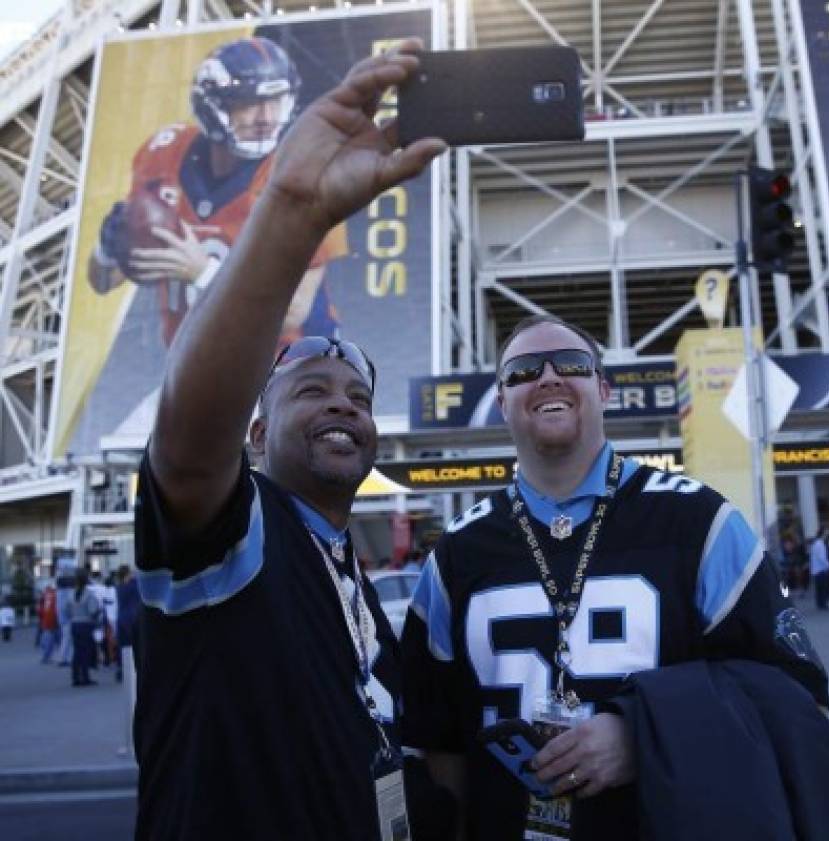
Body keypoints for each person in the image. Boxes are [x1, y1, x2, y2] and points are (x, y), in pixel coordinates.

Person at [130, 43, 448, 840]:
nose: (343, 405)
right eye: (311, 391)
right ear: (260, 433)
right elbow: (189, 446)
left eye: (358, 397)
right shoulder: (238, 536)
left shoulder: (347, 569)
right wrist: (292, 208)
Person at [399, 314, 829, 840]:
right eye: (523, 371)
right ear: (501, 402)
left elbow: (798, 697)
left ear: (603, 390)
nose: (549, 377)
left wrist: (644, 732)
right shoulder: (456, 552)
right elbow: (438, 736)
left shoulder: (702, 523)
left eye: (573, 365)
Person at [88, 36, 343, 350]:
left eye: (275, 101)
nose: (265, 118)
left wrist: (202, 273)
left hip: (288, 368)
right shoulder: (163, 155)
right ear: (212, 106)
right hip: (196, 367)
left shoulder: (304, 177)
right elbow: (102, 282)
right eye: (249, 103)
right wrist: (107, 249)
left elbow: (291, 313)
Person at [66, 568, 101, 687]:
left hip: (74, 624)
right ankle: (85, 677)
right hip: (86, 625)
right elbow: (92, 610)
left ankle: (75, 677)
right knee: (85, 652)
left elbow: (67, 611)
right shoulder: (89, 594)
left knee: (77, 652)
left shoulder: (71, 594)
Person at [811, 528, 829, 609]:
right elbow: (822, 557)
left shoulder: (815, 544)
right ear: (823, 534)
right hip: (821, 569)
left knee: (819, 588)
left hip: (816, 569)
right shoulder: (820, 544)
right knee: (823, 588)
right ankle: (823, 604)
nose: (827, 535)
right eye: (826, 534)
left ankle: (820, 603)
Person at [37, 582, 59, 663]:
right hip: (53, 620)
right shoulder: (55, 595)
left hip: (46, 620)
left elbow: (39, 609)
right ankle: (46, 657)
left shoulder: (45, 596)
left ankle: (46, 656)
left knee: (47, 638)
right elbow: (56, 609)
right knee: (51, 639)